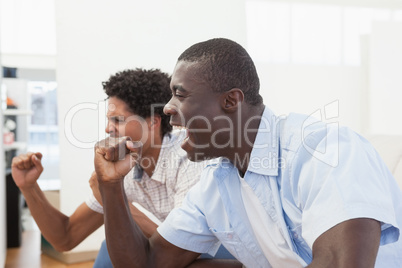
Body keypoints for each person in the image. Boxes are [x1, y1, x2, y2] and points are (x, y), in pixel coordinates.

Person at [94, 38, 402, 268]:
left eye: (180, 95)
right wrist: (111, 186)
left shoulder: (327, 151)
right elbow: (147, 263)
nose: (167, 108)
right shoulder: (216, 182)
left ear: (230, 101)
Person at [11, 68, 207, 267]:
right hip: (174, 252)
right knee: (110, 248)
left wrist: (113, 196)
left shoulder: (189, 156)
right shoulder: (126, 165)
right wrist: (29, 187)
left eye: (118, 120)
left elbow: (186, 247)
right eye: (109, 119)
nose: (107, 128)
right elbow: (66, 237)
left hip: (208, 253)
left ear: (152, 122)